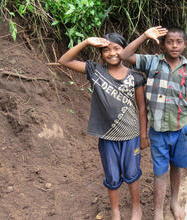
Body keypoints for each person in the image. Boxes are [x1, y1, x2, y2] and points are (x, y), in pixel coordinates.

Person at [58, 33, 147, 220]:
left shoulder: (136, 77)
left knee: (132, 172)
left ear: (124, 51)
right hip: (107, 136)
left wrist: (144, 135)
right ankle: (115, 210)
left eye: (117, 49)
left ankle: (136, 207)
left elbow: (141, 108)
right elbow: (64, 60)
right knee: (112, 175)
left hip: (132, 135)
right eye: (106, 50)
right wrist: (86, 42)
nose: (112, 53)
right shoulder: (95, 71)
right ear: (100, 54)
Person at [120, 26, 187, 220]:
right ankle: (158, 211)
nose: (174, 46)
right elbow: (124, 55)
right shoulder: (152, 62)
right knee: (159, 171)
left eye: (178, 42)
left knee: (177, 166)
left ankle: (174, 200)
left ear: (185, 44)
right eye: (170, 42)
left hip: (179, 129)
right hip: (157, 130)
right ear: (163, 44)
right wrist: (144, 36)